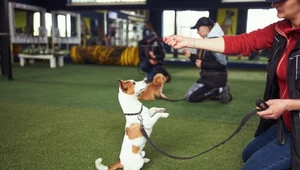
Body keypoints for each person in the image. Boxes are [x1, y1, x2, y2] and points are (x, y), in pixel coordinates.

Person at [162, 0, 300, 169]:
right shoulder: (281, 29)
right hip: (289, 122)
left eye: (281, 0)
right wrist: (188, 41)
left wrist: (288, 104)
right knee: (247, 154)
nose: (273, 4)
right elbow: (241, 42)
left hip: (294, 115)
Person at [182, 17, 232, 104]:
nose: (197, 32)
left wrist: (203, 64)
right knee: (187, 95)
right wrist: (190, 55)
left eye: (198, 29)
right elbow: (202, 61)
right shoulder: (209, 40)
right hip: (207, 77)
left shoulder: (215, 41)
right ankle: (217, 90)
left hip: (215, 80)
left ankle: (219, 90)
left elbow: (222, 64)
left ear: (206, 27)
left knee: (191, 97)